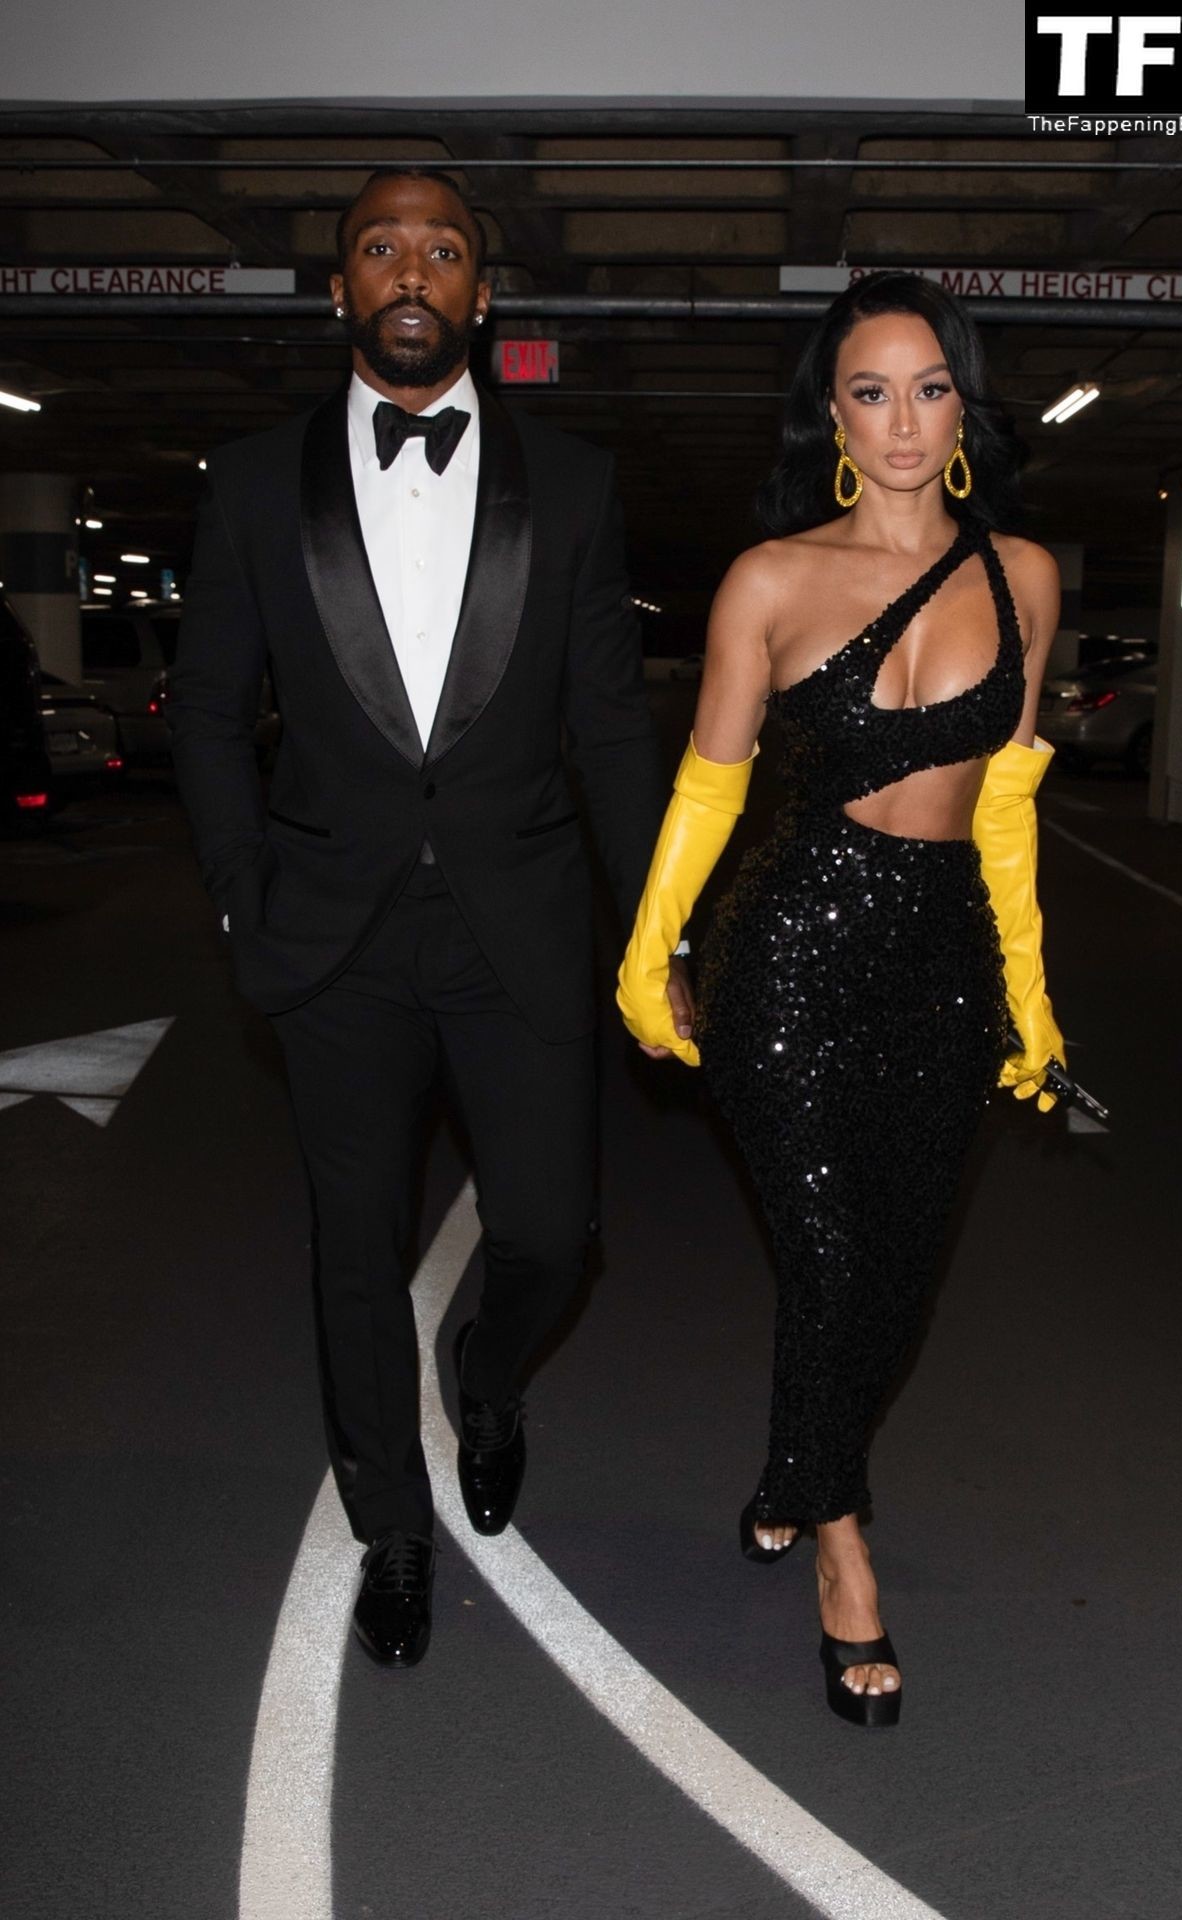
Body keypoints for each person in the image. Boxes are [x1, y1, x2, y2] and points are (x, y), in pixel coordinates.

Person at [169, 167, 679, 1668]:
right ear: (339, 288)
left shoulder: (573, 485)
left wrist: (658, 931)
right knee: (353, 1244)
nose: (411, 269)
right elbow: (207, 712)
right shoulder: (250, 483)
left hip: (520, 927)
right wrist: (241, 895)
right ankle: (391, 1521)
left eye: (442, 249)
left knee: (553, 1236)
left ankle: (490, 1378)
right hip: (331, 935)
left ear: (481, 293)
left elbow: (611, 732)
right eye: (380, 247)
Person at [618, 270, 1066, 1726]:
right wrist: (649, 951)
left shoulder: (1026, 576)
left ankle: (792, 1468)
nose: (902, 420)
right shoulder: (770, 580)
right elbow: (709, 786)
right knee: (825, 1259)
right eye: (871, 391)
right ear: (834, 413)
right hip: (788, 955)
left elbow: (1005, 811)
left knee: (899, 1282)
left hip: (944, 962)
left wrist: (1032, 996)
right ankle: (841, 1546)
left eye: (929, 388)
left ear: (963, 408)